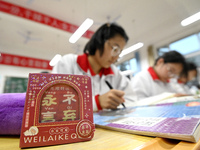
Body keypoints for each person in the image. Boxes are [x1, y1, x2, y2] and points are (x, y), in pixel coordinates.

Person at [52, 23, 136, 111]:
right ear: (100, 41)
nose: (116, 57)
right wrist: (96, 102)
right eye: (115, 49)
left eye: (119, 52)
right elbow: (55, 102)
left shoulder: (115, 73)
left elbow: (132, 100)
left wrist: (117, 103)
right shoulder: (68, 63)